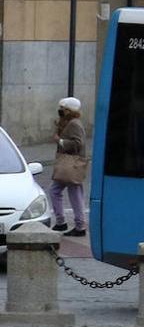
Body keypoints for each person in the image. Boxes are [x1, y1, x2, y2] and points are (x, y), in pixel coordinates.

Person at [50, 96, 88, 237]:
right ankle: (64, 222)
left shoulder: (74, 124)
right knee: (58, 191)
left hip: (72, 164)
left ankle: (77, 225)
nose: (60, 111)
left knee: (72, 193)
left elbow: (78, 144)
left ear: (69, 110)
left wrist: (60, 141)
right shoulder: (69, 122)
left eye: (63, 109)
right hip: (69, 164)